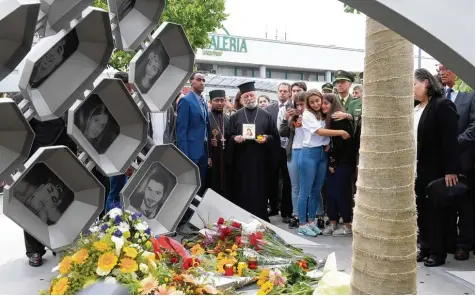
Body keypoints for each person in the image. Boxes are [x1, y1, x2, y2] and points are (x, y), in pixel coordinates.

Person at [414, 68, 460, 267]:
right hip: (417, 168)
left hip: (436, 169)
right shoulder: (416, 108)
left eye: (413, 84)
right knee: (421, 210)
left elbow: (450, 140)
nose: (412, 90)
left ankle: (437, 252)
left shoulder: (442, 105)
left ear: (426, 83)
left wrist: (451, 169)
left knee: (436, 212)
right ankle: (425, 247)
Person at [297, 90, 350, 237]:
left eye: (317, 100)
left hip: (322, 154)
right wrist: (341, 132)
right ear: (308, 103)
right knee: (305, 191)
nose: (315, 104)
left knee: (316, 191)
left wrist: (347, 115)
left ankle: (311, 222)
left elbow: (334, 120)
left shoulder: (322, 113)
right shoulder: (307, 115)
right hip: (309, 154)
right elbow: (320, 132)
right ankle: (302, 224)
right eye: (312, 101)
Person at [225, 81, 279, 221]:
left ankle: (261, 215)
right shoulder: (235, 116)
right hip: (241, 160)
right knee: (242, 188)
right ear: (242, 99)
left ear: (255, 96)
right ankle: (242, 216)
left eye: (251, 95)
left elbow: (274, 136)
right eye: (246, 97)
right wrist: (234, 139)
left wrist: (266, 138)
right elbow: (228, 136)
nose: (249, 98)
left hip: (261, 160)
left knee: (259, 188)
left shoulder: (266, 115)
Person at [438, 63, 475, 261]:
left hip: (463, 159)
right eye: (440, 69)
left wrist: (455, 143)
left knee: (465, 204)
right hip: (440, 161)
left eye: (447, 68)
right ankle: (449, 241)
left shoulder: (469, 95)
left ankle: (464, 244)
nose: (442, 72)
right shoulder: (438, 97)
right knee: (445, 202)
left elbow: (474, 125)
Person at [320, 94, 355, 236]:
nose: (323, 106)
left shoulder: (337, 118)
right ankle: (333, 222)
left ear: (333, 104)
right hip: (336, 161)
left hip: (342, 162)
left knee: (341, 193)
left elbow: (341, 144)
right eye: (322, 103)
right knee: (331, 193)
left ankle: (347, 225)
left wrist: (333, 162)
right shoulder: (330, 118)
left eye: (326, 103)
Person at [176, 72, 211, 196]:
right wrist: (184, 156)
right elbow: (181, 131)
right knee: (188, 187)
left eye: (204, 80)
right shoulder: (185, 101)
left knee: (201, 186)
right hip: (190, 152)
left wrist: (209, 154)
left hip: (203, 151)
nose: (202, 82)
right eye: (199, 79)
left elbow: (206, 128)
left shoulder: (204, 102)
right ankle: (186, 214)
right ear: (191, 81)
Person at [265, 82, 293, 218]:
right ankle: (274, 207)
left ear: (289, 93)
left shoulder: (293, 107)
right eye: (280, 91)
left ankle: (286, 211)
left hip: (288, 149)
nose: (282, 93)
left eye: (285, 91)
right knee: (272, 179)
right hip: (273, 149)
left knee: (287, 180)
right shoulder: (269, 108)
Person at [279, 91, 306, 229]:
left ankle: (310, 215)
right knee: (295, 187)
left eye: (303, 104)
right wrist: (286, 118)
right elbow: (282, 133)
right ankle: (296, 215)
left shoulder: (315, 117)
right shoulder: (293, 117)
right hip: (293, 152)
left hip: (309, 152)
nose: (300, 107)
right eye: (298, 105)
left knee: (308, 187)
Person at [207, 89, 230, 196]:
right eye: (217, 100)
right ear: (211, 101)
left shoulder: (228, 118)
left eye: (222, 100)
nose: (220, 103)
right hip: (212, 156)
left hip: (225, 156)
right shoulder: (206, 117)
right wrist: (209, 141)